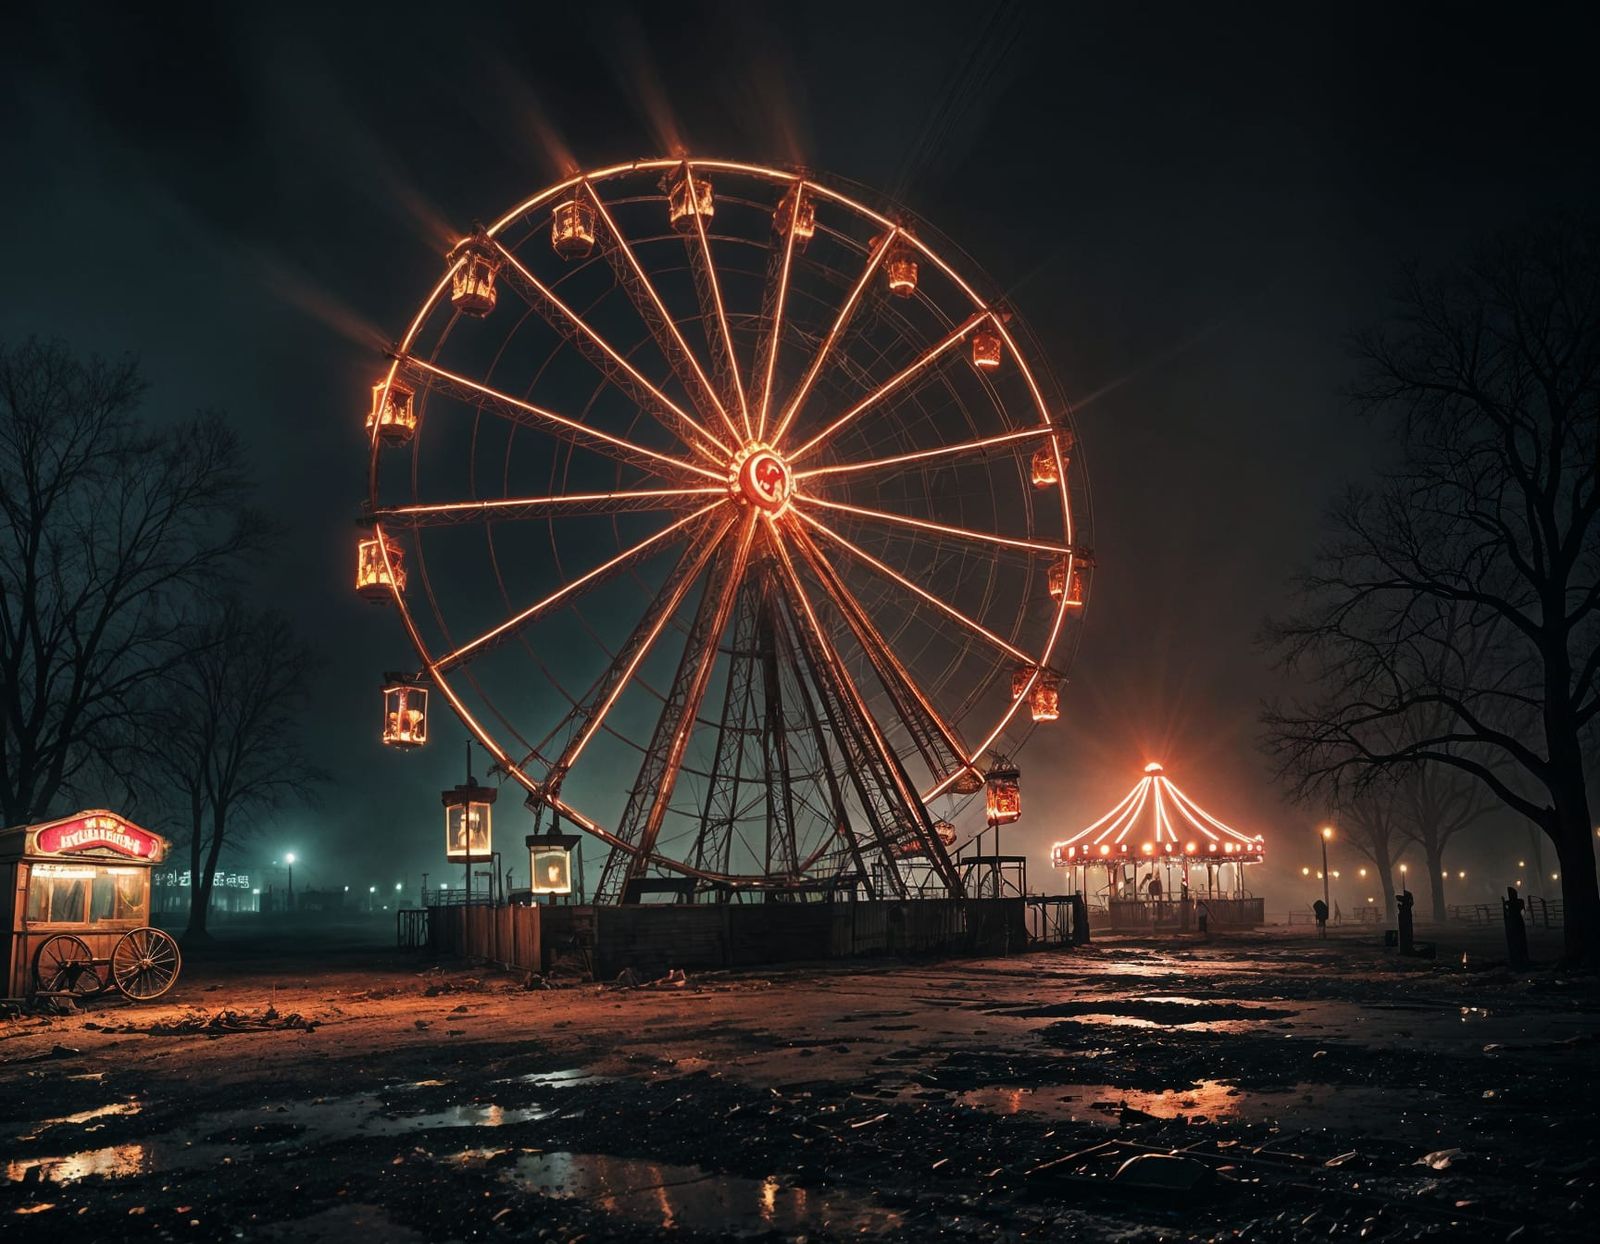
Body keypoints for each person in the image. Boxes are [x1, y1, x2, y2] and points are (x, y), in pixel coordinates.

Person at [1502, 885, 1530, 968]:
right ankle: (1520, 957)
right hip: (1515, 922)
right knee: (1517, 940)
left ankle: (1520, 958)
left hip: (1515, 922)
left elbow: (1508, 912)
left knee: (1518, 940)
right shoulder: (1517, 902)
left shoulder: (1513, 902)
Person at [1397, 888, 1415, 954]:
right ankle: (1407, 947)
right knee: (1406, 934)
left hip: (1404, 921)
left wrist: (1400, 907)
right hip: (1406, 920)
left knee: (1405, 934)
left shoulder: (1406, 905)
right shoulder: (1408, 904)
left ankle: (1405, 948)